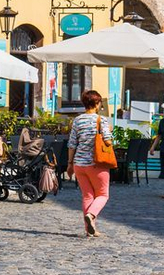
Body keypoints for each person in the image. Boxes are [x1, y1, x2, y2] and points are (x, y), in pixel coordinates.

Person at [66, 89, 113, 237]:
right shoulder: (101, 120)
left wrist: (69, 164)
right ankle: (91, 215)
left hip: (79, 164)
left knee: (87, 196)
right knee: (103, 195)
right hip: (96, 163)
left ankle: (89, 229)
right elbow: (107, 140)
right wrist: (109, 130)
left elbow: (72, 144)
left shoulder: (77, 120)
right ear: (97, 103)